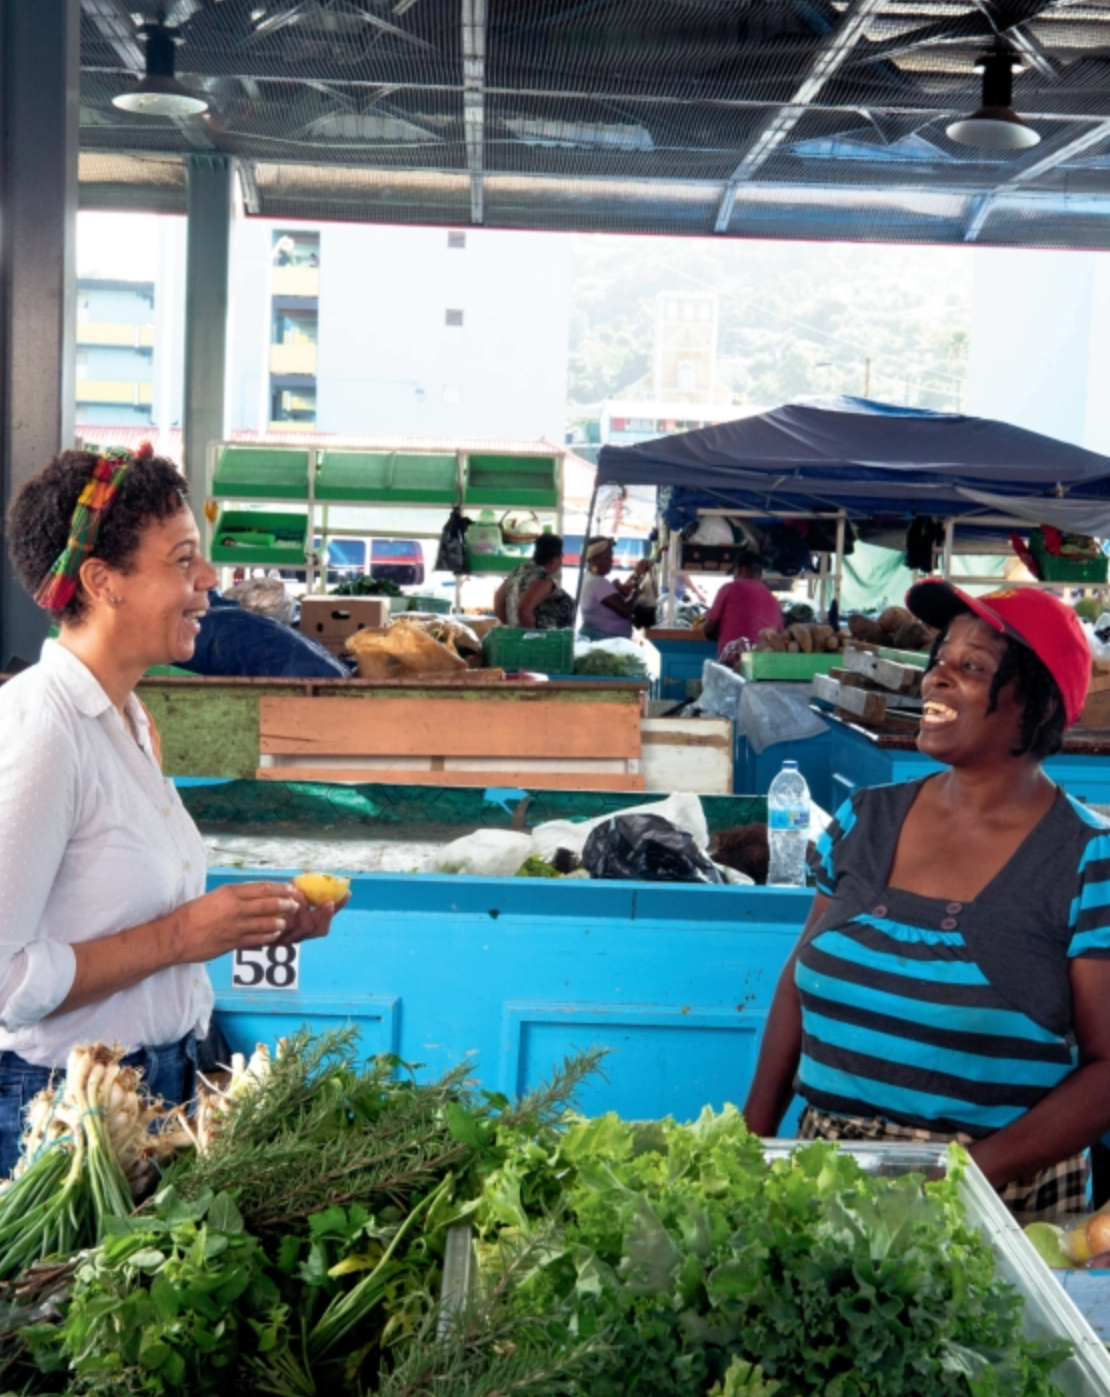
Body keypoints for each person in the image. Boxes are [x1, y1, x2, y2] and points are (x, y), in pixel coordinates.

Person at [0, 446, 347, 1177]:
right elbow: (5, 980)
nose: (210, 579)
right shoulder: (42, 730)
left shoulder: (128, 718)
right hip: (65, 1116)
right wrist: (182, 935)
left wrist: (251, 926)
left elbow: (119, 914)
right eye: (184, 558)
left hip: (154, 1090)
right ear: (103, 582)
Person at [743, 581, 1110, 1222]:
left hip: (993, 1203)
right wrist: (750, 1145)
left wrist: (958, 1181)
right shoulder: (865, 818)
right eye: (940, 659)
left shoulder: (1086, 859)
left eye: (973, 667)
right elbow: (794, 986)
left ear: (1040, 703)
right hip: (824, 1176)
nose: (937, 677)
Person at [702, 550, 783, 656]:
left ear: (739, 570)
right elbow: (779, 635)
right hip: (764, 660)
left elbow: (708, 630)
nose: (733, 577)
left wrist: (708, 619)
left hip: (733, 659)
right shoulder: (773, 599)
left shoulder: (729, 588)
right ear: (760, 574)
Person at [493, 534, 574, 629]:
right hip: (540, 637)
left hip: (519, 635)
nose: (561, 562)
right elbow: (524, 610)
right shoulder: (542, 580)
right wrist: (530, 635)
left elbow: (499, 601)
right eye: (561, 557)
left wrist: (512, 626)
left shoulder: (518, 571)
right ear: (554, 559)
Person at [578, 536, 651, 641]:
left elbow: (618, 596)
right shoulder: (599, 583)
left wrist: (635, 575)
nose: (611, 561)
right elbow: (626, 610)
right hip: (605, 639)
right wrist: (636, 592)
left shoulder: (589, 578)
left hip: (598, 636)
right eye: (607, 558)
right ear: (594, 560)